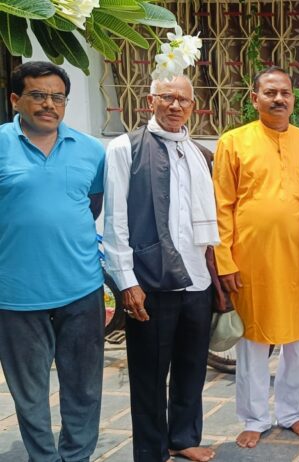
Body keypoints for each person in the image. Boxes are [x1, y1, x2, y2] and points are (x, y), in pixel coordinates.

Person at [104, 75, 223, 462]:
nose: (175, 106)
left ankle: (184, 437)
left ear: (193, 106)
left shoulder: (197, 151)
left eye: (183, 100)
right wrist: (127, 282)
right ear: (149, 100)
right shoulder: (126, 148)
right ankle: (151, 449)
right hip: (151, 280)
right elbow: (115, 220)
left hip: (196, 279)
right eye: (167, 97)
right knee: (149, 373)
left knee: (192, 365)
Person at [0, 61, 106, 462]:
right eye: (38, 95)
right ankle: (43, 458)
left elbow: (92, 205)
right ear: (15, 99)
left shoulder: (91, 150)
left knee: (84, 387)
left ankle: (77, 456)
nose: (49, 104)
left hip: (81, 288)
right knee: (29, 392)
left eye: (58, 97)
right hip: (15, 294)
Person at [213, 67, 299, 448]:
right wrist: (224, 261)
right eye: (270, 92)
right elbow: (221, 205)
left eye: (285, 93)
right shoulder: (234, 142)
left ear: (294, 98)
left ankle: (291, 412)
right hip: (251, 262)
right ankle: (254, 417)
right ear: (254, 98)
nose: (279, 99)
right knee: (253, 343)